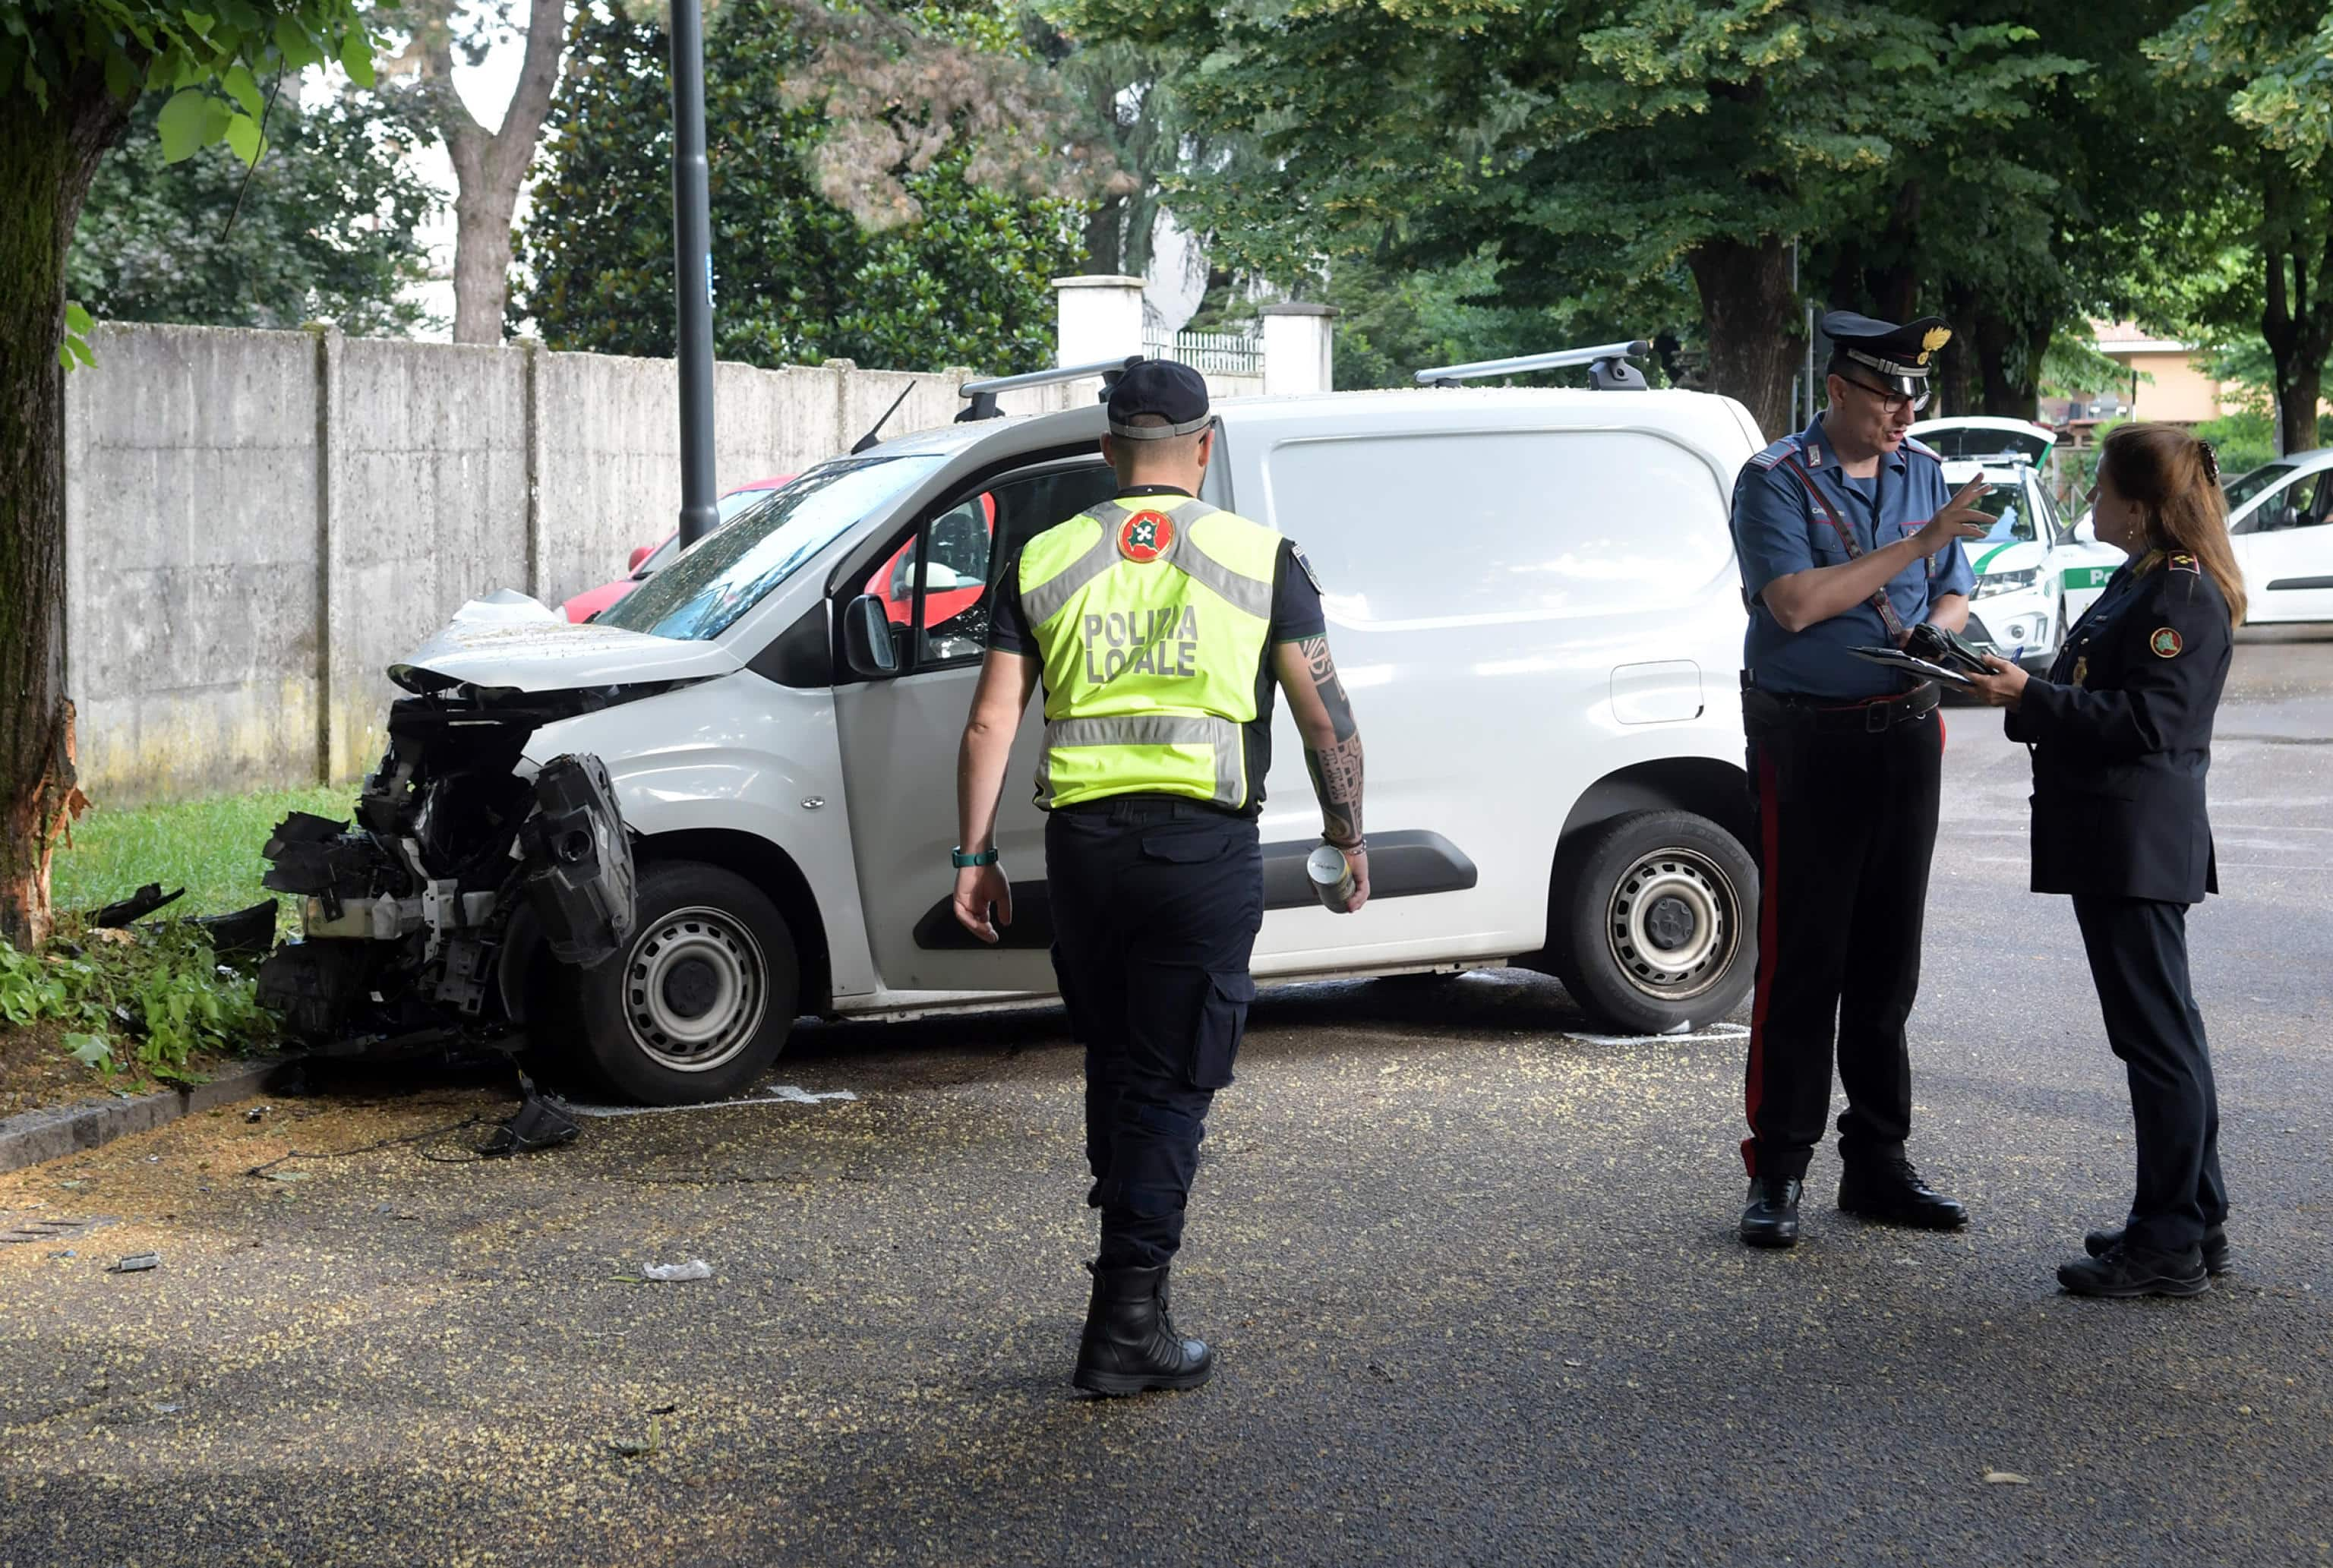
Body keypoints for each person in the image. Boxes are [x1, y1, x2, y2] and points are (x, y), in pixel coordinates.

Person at [949, 359, 1369, 1395]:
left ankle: (1135, 1296)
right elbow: (1325, 716)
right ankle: (1124, 1324)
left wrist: (973, 854)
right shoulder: (1260, 557)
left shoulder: (1044, 556)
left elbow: (992, 719)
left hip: (1084, 851)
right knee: (1175, 1077)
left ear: (1105, 451)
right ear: (1205, 443)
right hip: (1200, 853)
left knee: (1118, 1060)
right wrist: (1347, 833)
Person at [1728, 310, 1995, 1248]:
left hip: (1905, 734)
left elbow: (1955, 584)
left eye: (1912, 396)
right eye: (1887, 394)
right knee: (1805, 960)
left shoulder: (1923, 475)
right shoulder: (1773, 482)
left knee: (1888, 964)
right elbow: (1796, 604)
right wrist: (1917, 550)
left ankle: (1878, 1161)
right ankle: (1781, 1170)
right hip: (1810, 745)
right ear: (1837, 389)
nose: (1903, 414)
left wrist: (1945, 629)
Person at [1965, 423, 2242, 1298]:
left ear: (2143, 504)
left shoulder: (2182, 596)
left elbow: (2147, 724)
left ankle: (2168, 1244)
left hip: (2136, 841)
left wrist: (2031, 695)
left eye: (2101, 490)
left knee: (2157, 1043)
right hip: (2117, 838)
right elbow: (2095, 687)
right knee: (2166, 1034)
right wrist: (2023, 685)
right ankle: (2192, 1214)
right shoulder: (2144, 580)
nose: (2090, 502)